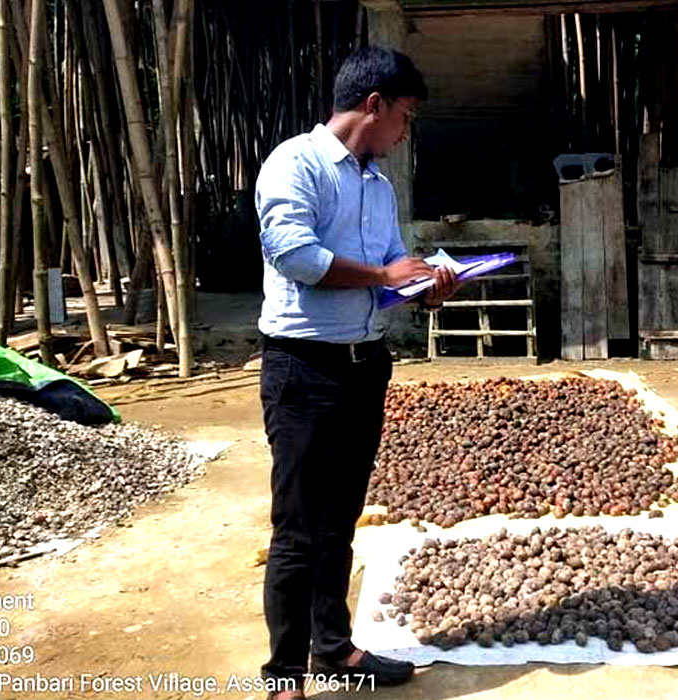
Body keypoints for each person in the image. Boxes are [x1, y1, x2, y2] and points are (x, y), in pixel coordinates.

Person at [254, 47, 455, 700]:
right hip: (303, 369)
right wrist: (382, 274)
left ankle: (334, 649)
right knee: (297, 528)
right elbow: (295, 256)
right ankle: (285, 677)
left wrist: (425, 286)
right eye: (405, 116)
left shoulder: (378, 185)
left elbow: (391, 269)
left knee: (339, 519)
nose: (405, 131)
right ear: (374, 105)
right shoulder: (296, 164)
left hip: (364, 366)